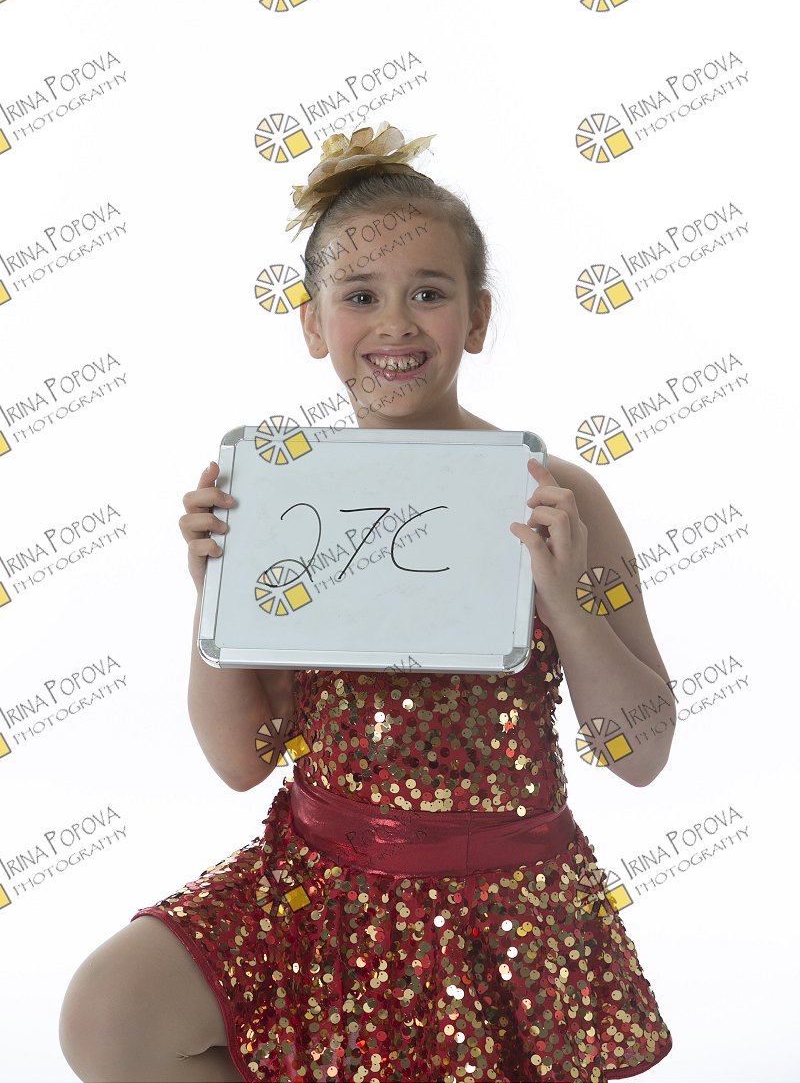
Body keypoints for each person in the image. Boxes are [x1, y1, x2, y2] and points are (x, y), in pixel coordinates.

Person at [59, 122, 675, 1082]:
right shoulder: (276, 497)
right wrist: (214, 598)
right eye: (360, 297)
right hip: (318, 885)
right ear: (314, 325)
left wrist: (566, 602)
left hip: (507, 904)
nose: (396, 324)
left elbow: (642, 753)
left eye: (429, 293)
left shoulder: (559, 497)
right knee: (109, 1014)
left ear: (477, 317)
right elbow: (241, 761)